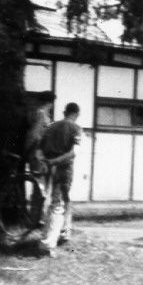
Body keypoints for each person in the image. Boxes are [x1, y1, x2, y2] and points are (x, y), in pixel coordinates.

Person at [38, 102, 82, 254]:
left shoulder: (50, 127)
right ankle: (48, 244)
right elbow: (73, 153)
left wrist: (45, 162)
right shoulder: (75, 128)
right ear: (76, 114)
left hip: (48, 168)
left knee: (57, 203)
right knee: (58, 205)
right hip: (64, 170)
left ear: (64, 112)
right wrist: (56, 161)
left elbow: (39, 149)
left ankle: (64, 233)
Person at [25, 91, 56, 226]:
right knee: (39, 187)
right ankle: (35, 220)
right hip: (38, 155)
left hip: (42, 155)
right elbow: (34, 135)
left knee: (41, 188)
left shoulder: (42, 113)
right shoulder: (41, 114)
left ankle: (38, 218)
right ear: (50, 102)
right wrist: (31, 151)